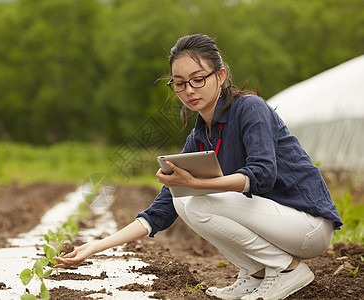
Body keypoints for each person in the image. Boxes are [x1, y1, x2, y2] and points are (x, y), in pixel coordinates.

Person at [54, 34, 342, 300]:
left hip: (307, 224)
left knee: (196, 202)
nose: (188, 90)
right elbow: (162, 210)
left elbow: (263, 175)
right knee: (185, 202)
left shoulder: (249, 108)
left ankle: (287, 269)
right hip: (275, 224)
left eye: (198, 79)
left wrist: (197, 185)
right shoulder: (200, 135)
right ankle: (255, 273)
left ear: (220, 76)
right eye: (179, 83)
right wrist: (96, 247)